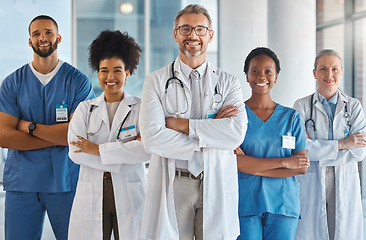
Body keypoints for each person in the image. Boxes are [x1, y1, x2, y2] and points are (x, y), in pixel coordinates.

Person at [139, 4, 247, 240]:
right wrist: (210, 133)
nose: (193, 36)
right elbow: (152, 139)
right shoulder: (155, 81)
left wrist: (182, 125)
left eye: (200, 29)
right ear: (175, 34)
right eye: (185, 29)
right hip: (176, 180)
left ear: (210, 35)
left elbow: (235, 134)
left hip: (215, 179)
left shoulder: (229, 82)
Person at [0, 15, 94, 240]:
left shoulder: (77, 82)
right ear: (29, 41)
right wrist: (59, 136)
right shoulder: (13, 82)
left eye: (48, 32)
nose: (42, 37)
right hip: (23, 184)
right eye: (36, 34)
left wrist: (28, 127)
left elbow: (76, 134)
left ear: (58, 37)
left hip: (65, 181)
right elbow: (4, 136)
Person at [67, 30, 150, 240]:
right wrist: (124, 155)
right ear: (97, 73)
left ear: (128, 73)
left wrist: (96, 150)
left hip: (130, 191)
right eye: (104, 70)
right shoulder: (85, 109)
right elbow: (76, 152)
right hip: (93, 190)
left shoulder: (141, 109)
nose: (110, 77)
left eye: (117, 70)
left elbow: (147, 150)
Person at [235, 47, 309, 240]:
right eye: (255, 71)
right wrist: (285, 162)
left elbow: (301, 167)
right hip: (246, 204)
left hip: (283, 205)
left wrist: (252, 165)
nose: (262, 76)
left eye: (268, 71)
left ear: (276, 76)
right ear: (246, 76)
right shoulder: (236, 117)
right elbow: (234, 162)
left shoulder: (291, 117)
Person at [293, 49, 366, 240]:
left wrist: (318, 149)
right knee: (313, 231)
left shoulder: (354, 107)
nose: (329, 75)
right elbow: (300, 148)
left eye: (334, 69)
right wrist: (343, 144)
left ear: (341, 72)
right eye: (323, 69)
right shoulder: (301, 106)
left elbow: (359, 151)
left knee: (342, 231)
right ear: (314, 73)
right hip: (312, 177)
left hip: (344, 177)